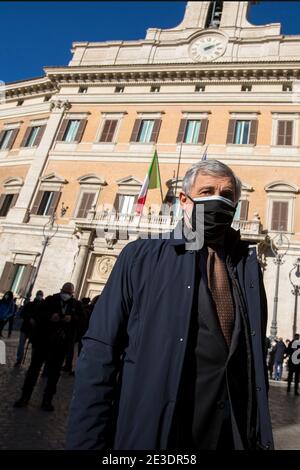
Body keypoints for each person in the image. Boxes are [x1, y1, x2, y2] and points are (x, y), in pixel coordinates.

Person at [66, 160, 274, 450]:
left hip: (229, 436)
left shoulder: (248, 270)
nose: (218, 199)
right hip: (159, 434)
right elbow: (100, 355)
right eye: (207, 191)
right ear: (184, 200)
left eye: (227, 195)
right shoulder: (140, 257)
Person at [14, 282, 83, 411]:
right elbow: (38, 314)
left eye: (69, 293)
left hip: (60, 345)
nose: (66, 294)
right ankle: (25, 397)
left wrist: (72, 318)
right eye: (65, 291)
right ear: (61, 290)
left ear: (72, 293)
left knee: (54, 374)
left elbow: (82, 320)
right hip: (44, 341)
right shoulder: (50, 300)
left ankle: (47, 400)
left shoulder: (76, 305)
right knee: (33, 370)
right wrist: (50, 316)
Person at [14, 290, 44, 367]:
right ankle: (19, 360)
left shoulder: (44, 306)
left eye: (40, 294)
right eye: (38, 294)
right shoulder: (29, 304)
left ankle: (33, 363)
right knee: (21, 345)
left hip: (35, 330)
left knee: (34, 347)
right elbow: (23, 313)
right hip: (25, 327)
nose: (39, 296)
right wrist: (29, 318)